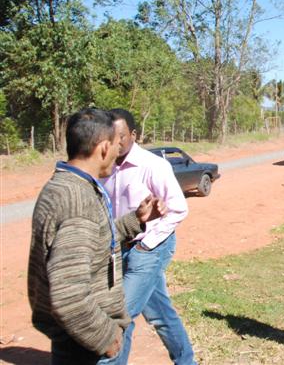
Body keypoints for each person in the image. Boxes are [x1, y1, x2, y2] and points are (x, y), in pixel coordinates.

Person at [28, 108, 166, 365]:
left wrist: (136, 220)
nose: (119, 151)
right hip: (81, 344)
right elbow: (70, 297)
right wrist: (106, 338)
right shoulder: (77, 200)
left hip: (73, 338)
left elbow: (93, 241)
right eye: (116, 144)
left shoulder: (67, 186)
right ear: (104, 147)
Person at [101, 108, 196, 365]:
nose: (116, 142)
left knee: (120, 316)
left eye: (121, 136)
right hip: (120, 247)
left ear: (134, 134)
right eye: (110, 136)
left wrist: (146, 245)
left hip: (151, 247)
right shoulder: (104, 166)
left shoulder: (153, 166)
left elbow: (178, 209)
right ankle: (187, 361)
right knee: (160, 315)